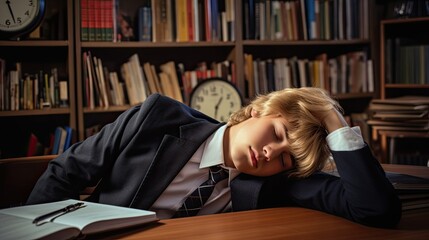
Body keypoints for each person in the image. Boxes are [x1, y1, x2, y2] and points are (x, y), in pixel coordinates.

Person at [27, 87, 401, 228]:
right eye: (277, 134)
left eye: (285, 159)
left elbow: (375, 210)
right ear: (259, 110)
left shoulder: (275, 183)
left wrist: (332, 118)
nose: (270, 153)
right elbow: (67, 171)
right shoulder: (157, 117)